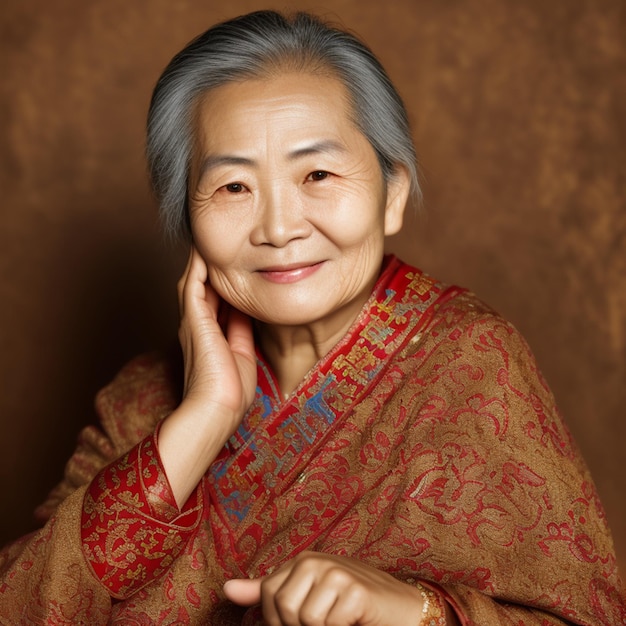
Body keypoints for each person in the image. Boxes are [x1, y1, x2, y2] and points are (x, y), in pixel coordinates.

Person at [0, 9, 624, 625]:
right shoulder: (142, 397)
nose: (278, 229)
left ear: (393, 195)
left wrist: (411, 610)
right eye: (233, 188)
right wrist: (204, 416)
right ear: (188, 222)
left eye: (318, 174)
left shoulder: (471, 363)